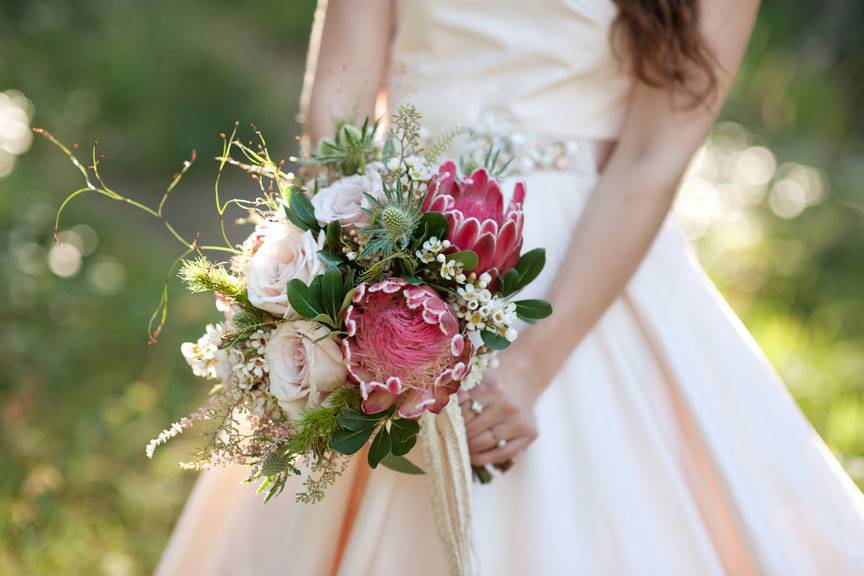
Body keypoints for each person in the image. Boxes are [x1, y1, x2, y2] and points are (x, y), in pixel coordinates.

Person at [157, 1, 864, 574]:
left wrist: (530, 365)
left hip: (584, 249)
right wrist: (346, 267)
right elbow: (336, 104)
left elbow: (653, 158)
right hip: (397, 218)